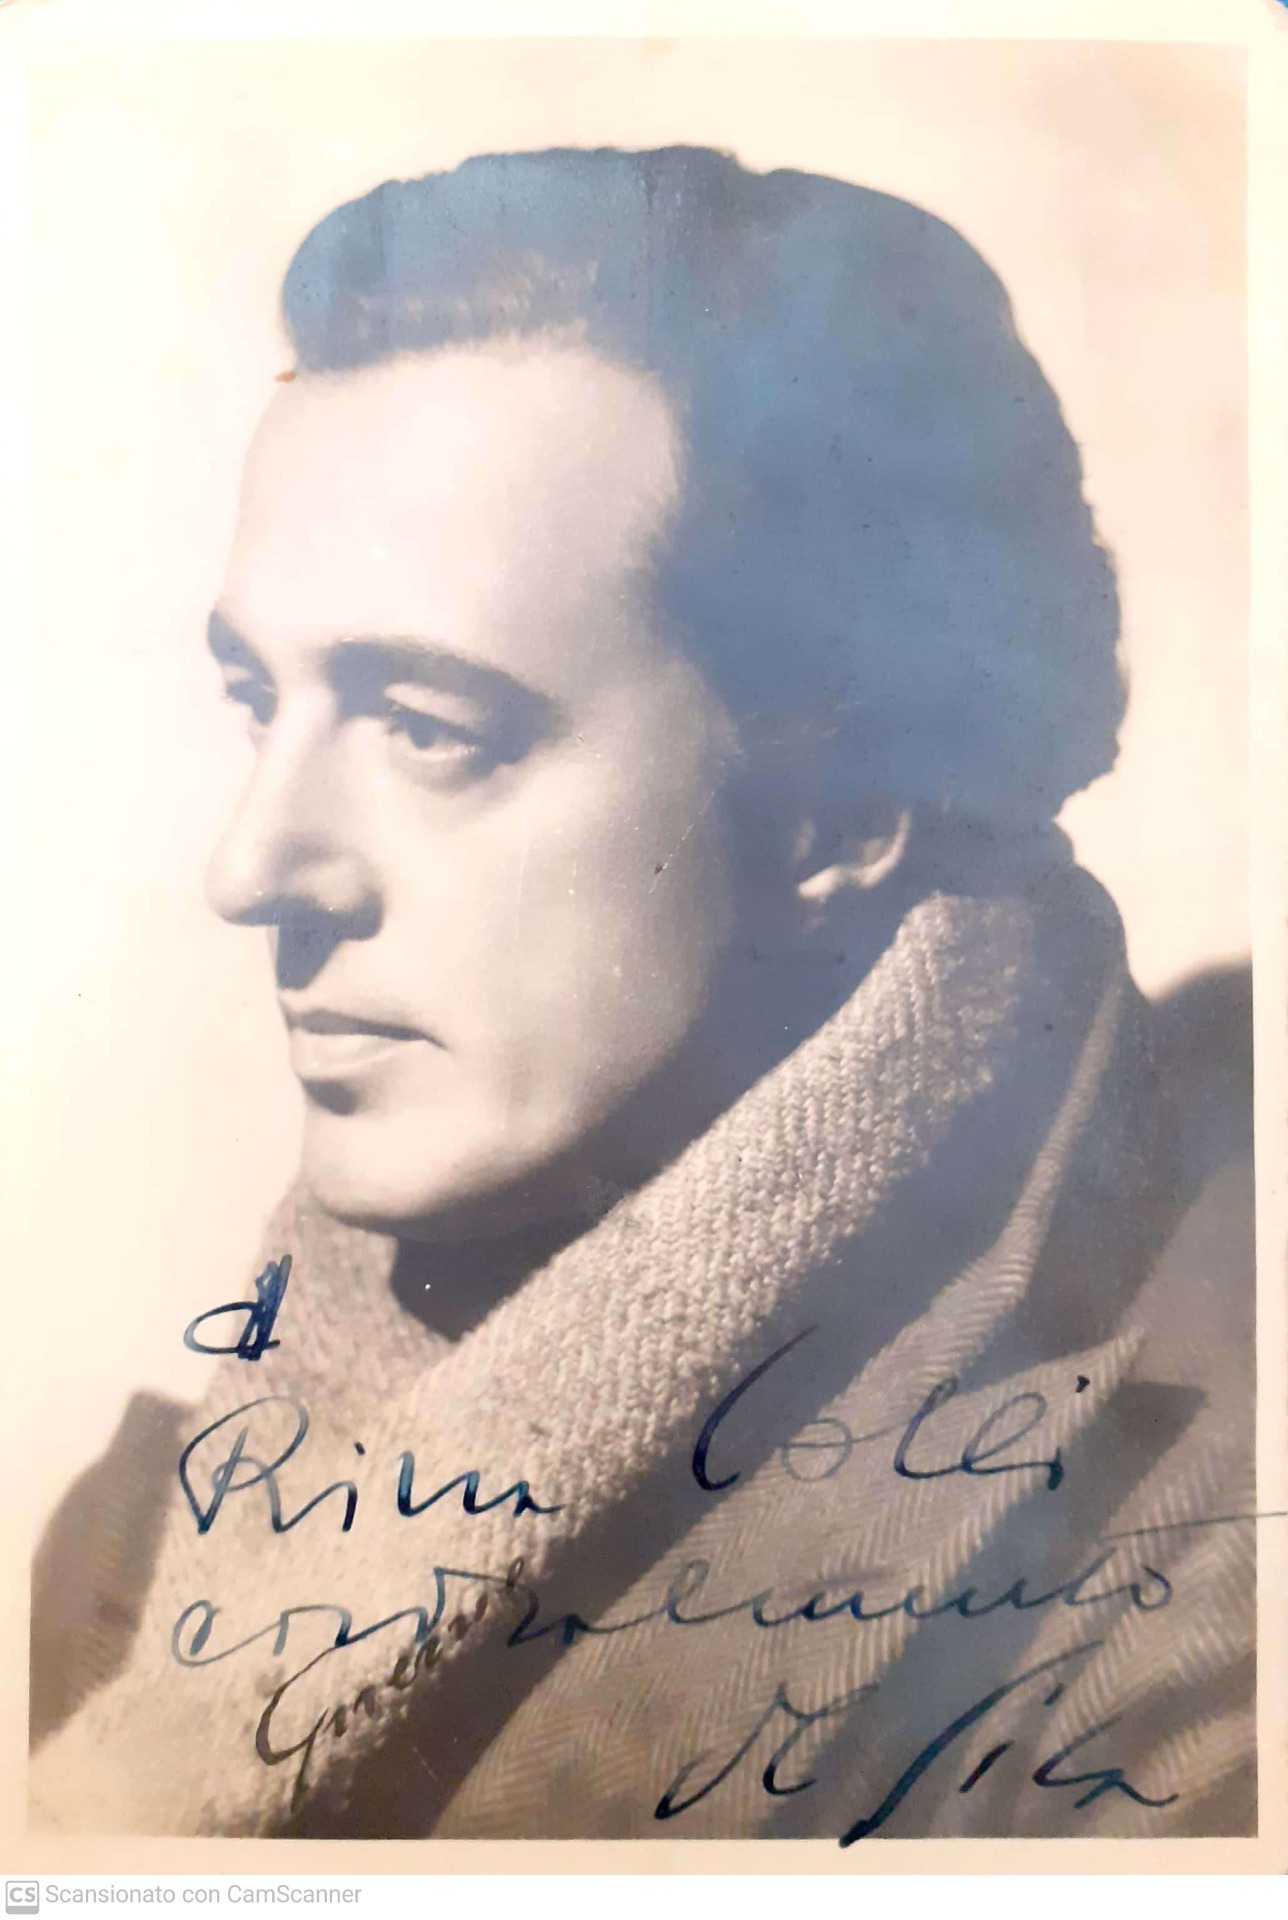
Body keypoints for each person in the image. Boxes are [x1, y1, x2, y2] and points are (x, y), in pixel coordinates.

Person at [29, 146, 1254, 1841]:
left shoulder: (1185, 1629)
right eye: (262, 700)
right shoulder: (147, 1548)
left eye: (431, 729)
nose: (254, 867)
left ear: (843, 809)